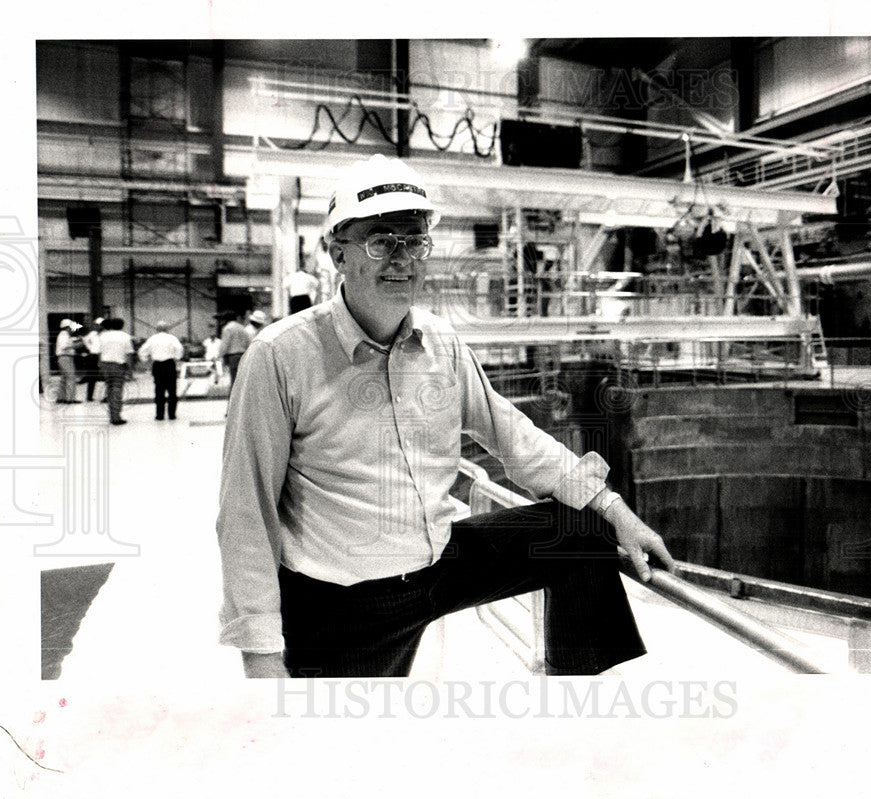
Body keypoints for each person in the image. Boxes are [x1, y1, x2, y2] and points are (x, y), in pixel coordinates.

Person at [216, 154, 677, 679]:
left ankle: (571, 698)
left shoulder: (441, 344)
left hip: (439, 564)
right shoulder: (280, 356)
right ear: (337, 252)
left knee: (580, 531)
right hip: (342, 601)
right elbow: (245, 513)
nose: (402, 257)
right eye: (381, 240)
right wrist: (261, 655)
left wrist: (618, 511)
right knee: (339, 754)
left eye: (414, 240)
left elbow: (516, 438)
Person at [137, 320, 184, 421]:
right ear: (167, 329)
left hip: (157, 365)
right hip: (169, 364)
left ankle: (160, 415)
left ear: (157, 329)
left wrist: (145, 360)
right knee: (172, 390)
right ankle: (172, 415)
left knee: (159, 390)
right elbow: (179, 349)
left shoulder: (152, 339)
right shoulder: (172, 338)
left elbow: (142, 350)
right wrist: (177, 357)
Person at [97, 318, 134, 426]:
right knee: (117, 391)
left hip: (105, 365)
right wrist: (130, 370)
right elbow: (128, 354)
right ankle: (116, 417)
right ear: (122, 326)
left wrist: (100, 365)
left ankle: (112, 415)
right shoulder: (125, 336)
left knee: (109, 390)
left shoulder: (103, 336)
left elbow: (99, 352)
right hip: (118, 366)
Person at [217, 310, 253, 398]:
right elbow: (249, 342)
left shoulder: (227, 328)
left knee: (234, 382)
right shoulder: (242, 328)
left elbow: (225, 344)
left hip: (233, 356)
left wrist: (219, 356)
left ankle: (232, 407)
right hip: (243, 356)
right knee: (241, 382)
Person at [54, 319, 82, 404]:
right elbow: (64, 346)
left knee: (64, 378)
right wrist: (78, 345)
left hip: (63, 358)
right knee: (71, 377)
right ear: (67, 327)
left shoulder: (64, 335)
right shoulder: (64, 335)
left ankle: (60, 398)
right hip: (65, 357)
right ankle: (70, 399)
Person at [82, 317, 104, 402]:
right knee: (92, 377)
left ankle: (105, 396)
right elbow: (85, 340)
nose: (97, 326)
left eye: (99, 325)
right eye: (96, 325)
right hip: (93, 356)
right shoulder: (92, 334)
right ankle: (89, 396)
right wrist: (90, 347)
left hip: (102, 356)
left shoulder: (105, 334)